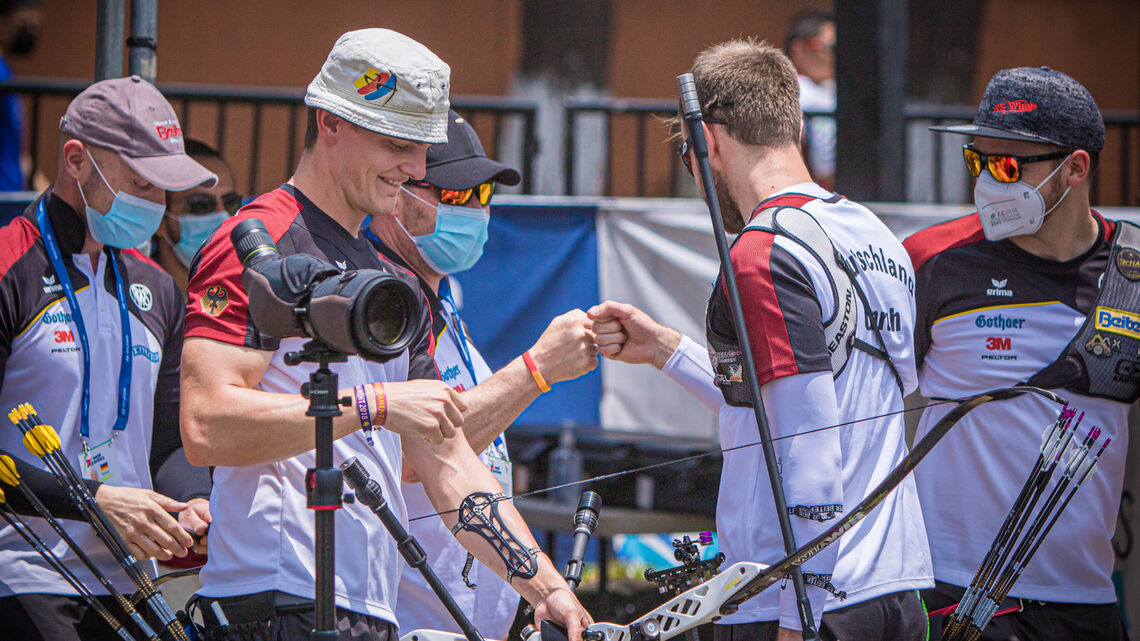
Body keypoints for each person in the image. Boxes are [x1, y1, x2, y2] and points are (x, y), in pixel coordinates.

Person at [180, 29, 592, 641]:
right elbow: (206, 425)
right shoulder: (260, 238)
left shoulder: (390, 276)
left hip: (370, 606)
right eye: (398, 143)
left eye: (422, 148)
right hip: (272, 598)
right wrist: (374, 406)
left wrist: (546, 588)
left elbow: (448, 457)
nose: (415, 168)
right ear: (330, 123)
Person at [589, 38, 931, 641]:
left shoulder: (763, 249)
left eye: (686, 152)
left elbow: (811, 444)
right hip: (890, 592)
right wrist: (667, 350)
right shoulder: (876, 237)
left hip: (795, 603)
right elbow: (783, 407)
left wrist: (800, 615)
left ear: (709, 141)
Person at [904, 67, 1128, 641]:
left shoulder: (1131, 274)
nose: (986, 184)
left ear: (1075, 168)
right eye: (976, 162)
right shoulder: (933, 258)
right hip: (952, 592)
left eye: (1007, 167)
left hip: (1086, 599)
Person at [364, 110, 599, 639]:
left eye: (484, 196)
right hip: (406, 622)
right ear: (398, 194)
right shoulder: (377, 304)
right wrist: (537, 370)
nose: (476, 211)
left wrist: (544, 587)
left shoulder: (442, 303)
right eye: (456, 195)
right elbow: (412, 456)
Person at [0, 75, 216, 641]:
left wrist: (194, 502)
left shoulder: (158, 288)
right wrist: (91, 501)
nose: (156, 203)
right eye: (142, 182)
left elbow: (169, 443)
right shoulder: (7, 266)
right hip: (20, 577)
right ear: (77, 159)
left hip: (130, 585)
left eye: (163, 186)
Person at [153, 139, 241, 297]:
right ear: (160, 218)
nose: (223, 216)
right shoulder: (132, 300)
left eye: (230, 203)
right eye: (200, 205)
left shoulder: (246, 301)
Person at [785, 10, 835, 190]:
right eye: (830, 47)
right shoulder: (800, 91)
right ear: (800, 48)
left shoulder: (825, 88)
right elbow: (826, 170)